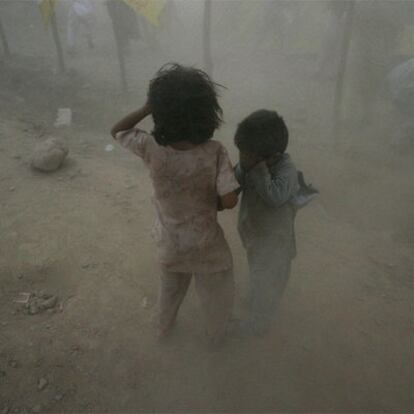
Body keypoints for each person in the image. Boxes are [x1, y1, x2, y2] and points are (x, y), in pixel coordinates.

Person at [110, 64, 239, 346]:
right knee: (215, 296)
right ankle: (215, 337)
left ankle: (163, 331)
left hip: (171, 244)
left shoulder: (150, 146)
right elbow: (229, 200)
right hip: (207, 244)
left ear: (160, 112)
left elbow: (118, 130)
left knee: (169, 295)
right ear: (208, 112)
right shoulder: (215, 151)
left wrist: (146, 107)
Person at [233, 110, 300, 336]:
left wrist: (258, 170)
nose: (242, 158)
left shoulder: (286, 170)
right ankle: (255, 297)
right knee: (257, 270)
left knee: (269, 280)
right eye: (240, 152)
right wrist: (243, 169)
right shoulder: (251, 161)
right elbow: (235, 181)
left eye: (246, 155)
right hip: (255, 234)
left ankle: (259, 322)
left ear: (272, 156)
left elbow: (275, 197)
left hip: (275, 242)